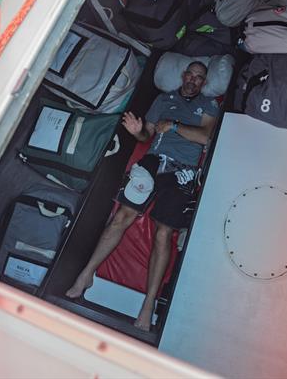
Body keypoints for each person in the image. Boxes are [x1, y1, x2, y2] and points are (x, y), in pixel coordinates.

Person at [65, 61, 218, 331]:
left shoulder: (208, 105)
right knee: (120, 217)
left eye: (199, 77)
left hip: (181, 171)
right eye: (190, 75)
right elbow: (148, 133)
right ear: (182, 76)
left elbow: (205, 137)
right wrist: (138, 132)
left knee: (163, 233)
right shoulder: (163, 98)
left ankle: (147, 306)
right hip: (152, 161)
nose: (193, 80)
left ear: (204, 83)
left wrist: (172, 126)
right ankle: (86, 274)